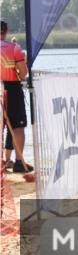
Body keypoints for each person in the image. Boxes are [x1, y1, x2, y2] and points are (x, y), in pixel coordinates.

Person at [2, 21, 32, 173]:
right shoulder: (14, 48)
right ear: (6, 31)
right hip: (12, 88)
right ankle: (19, 162)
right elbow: (23, 72)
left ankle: (4, 161)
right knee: (18, 126)